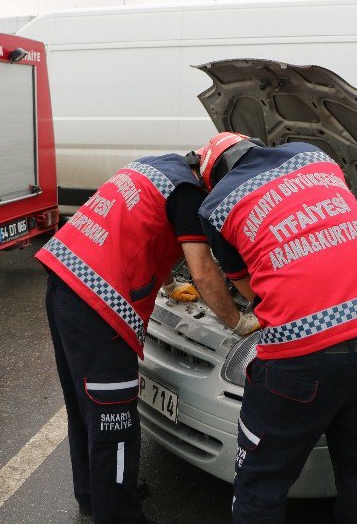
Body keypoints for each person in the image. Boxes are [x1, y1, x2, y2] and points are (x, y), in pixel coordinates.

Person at [193, 132, 357, 524]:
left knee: (262, 481)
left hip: (301, 359)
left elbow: (247, 287)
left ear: (213, 175)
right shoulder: (314, 156)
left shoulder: (216, 202)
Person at [35, 153, 258, 523]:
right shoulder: (189, 194)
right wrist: (238, 322)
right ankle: (119, 512)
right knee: (115, 418)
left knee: (84, 404)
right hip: (97, 305)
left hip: (65, 279)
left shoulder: (159, 166)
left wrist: (168, 283)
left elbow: (137, 227)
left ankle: (97, 492)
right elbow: (204, 273)